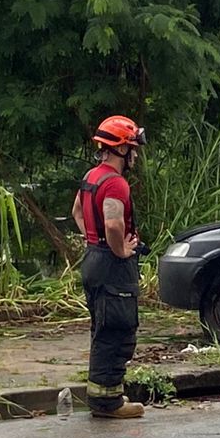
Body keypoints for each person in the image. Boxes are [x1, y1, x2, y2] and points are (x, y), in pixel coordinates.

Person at [70, 115, 148, 420]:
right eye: (132, 148)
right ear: (119, 150)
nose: (135, 155)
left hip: (94, 259)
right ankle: (108, 403)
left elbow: (77, 210)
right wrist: (120, 250)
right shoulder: (116, 184)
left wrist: (93, 238)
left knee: (102, 329)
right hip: (112, 266)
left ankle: (105, 395)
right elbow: (114, 223)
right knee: (118, 330)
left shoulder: (92, 177)